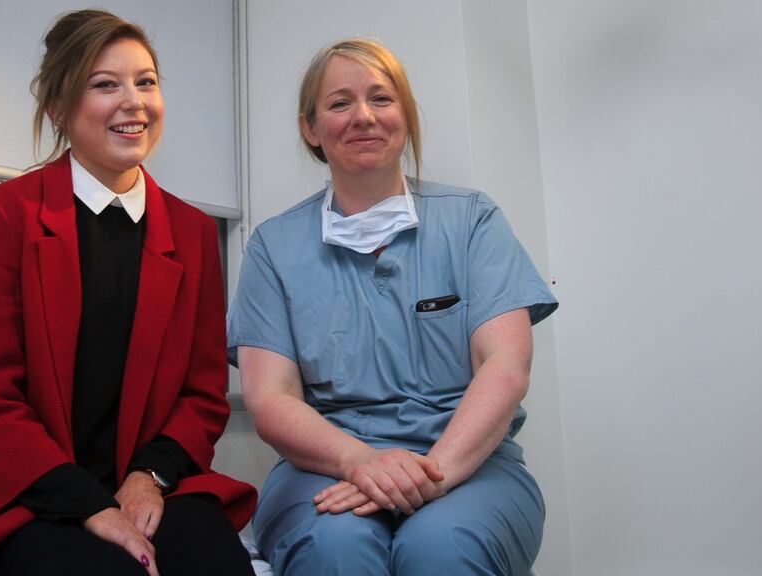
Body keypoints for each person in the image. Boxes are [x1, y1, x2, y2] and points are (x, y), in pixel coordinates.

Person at [0, 10, 256, 576]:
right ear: (59, 108)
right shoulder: (8, 214)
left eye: (146, 82)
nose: (134, 102)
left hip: (152, 488)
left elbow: (204, 391)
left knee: (217, 564)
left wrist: (148, 478)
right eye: (105, 85)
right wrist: (87, 503)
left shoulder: (190, 231)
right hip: (34, 495)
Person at [227, 38, 558, 576]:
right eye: (339, 103)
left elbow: (505, 367)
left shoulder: (472, 222)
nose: (363, 116)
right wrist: (359, 461)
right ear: (310, 128)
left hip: (469, 465)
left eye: (381, 99)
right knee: (335, 548)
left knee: (443, 549)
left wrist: (436, 472)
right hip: (325, 465)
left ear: (404, 115)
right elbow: (270, 398)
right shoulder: (274, 246)